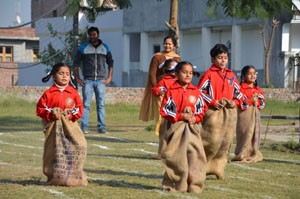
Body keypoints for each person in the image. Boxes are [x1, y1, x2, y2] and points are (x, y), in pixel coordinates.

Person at [36, 63, 88, 186]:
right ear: (54, 76)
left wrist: (70, 115)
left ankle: (74, 177)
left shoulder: (72, 92)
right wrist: (52, 113)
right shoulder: (49, 93)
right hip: (53, 128)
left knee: (80, 145)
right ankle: (55, 176)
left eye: (67, 74)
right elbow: (40, 109)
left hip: (71, 126)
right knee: (55, 150)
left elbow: (79, 108)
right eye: (61, 73)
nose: (65, 76)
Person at [159, 61, 207, 193]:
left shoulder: (195, 91)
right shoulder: (171, 91)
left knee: (194, 156)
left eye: (190, 73)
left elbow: (201, 108)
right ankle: (170, 183)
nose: (188, 75)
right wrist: (180, 116)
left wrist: (195, 118)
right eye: (184, 72)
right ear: (176, 74)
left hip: (192, 129)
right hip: (175, 129)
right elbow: (166, 110)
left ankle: (194, 184)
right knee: (174, 157)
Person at [197, 44, 243, 179]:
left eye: (225, 58)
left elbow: (239, 93)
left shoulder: (231, 75)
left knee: (225, 142)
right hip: (214, 113)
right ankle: (200, 167)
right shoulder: (209, 74)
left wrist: (236, 102)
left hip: (229, 114)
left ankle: (217, 168)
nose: (223, 60)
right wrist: (212, 101)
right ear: (213, 59)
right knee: (211, 141)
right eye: (219, 58)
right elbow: (200, 92)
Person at [73, 26, 114, 134]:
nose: (92, 37)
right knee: (86, 105)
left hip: (101, 81)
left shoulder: (105, 48)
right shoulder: (83, 48)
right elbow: (75, 64)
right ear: (89, 36)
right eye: (90, 35)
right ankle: (84, 127)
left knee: (101, 105)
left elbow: (111, 63)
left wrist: (109, 77)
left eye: (94, 34)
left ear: (98, 35)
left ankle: (101, 127)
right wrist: (78, 78)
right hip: (88, 80)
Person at [139, 36, 181, 135]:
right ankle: (159, 131)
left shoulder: (177, 58)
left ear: (174, 46)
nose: (167, 46)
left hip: (173, 88)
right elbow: (152, 74)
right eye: (166, 43)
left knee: (172, 110)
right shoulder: (157, 57)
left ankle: (170, 131)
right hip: (160, 88)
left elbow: (180, 73)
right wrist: (156, 87)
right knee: (160, 111)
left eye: (170, 44)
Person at [232, 65, 265, 163]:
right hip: (244, 116)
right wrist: (251, 101)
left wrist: (257, 102)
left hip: (255, 116)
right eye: (249, 74)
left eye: (254, 73)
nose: (252, 76)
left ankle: (253, 153)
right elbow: (239, 102)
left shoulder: (258, 90)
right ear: (243, 76)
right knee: (244, 134)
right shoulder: (240, 89)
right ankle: (241, 154)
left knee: (254, 134)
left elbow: (262, 103)